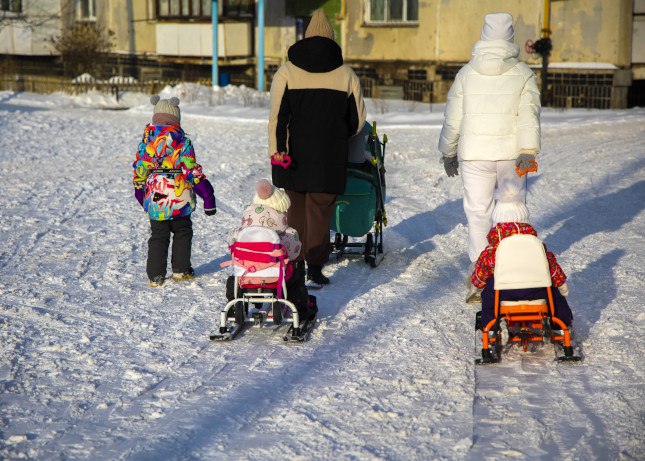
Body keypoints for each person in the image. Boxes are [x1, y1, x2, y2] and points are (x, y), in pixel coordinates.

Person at [437, 12, 541, 302]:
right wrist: (527, 151)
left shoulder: (466, 73)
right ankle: (515, 270)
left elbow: (453, 118)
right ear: (510, 38)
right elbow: (529, 115)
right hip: (512, 156)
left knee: (478, 212)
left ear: (483, 34)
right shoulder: (523, 73)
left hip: (474, 156)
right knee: (512, 208)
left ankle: (480, 275)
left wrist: (448, 151)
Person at [268, 9, 366, 286]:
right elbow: (358, 120)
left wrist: (278, 150)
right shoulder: (347, 74)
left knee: (295, 209)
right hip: (330, 155)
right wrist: (336, 136)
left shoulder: (286, 71)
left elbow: (277, 116)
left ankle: (294, 263)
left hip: (291, 155)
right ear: (331, 40)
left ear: (306, 37)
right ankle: (315, 266)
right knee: (320, 212)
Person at [133, 95, 216, 287]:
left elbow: (140, 170)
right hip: (180, 197)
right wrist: (208, 195)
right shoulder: (183, 143)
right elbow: (191, 170)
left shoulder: (146, 143)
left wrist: (140, 191)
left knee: (158, 235)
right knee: (182, 231)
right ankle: (180, 269)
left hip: (156, 196)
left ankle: (156, 275)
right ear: (176, 120)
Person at [470, 179, 573, 331]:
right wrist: (562, 285)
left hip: (504, 293)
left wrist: (475, 287)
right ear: (525, 222)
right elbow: (552, 268)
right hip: (536, 291)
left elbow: (481, 272)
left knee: (488, 293)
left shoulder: (493, 251)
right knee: (554, 292)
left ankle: (490, 327)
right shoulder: (537, 246)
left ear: (498, 224)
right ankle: (561, 323)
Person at [226, 179, 316, 321]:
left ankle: (233, 309)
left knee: (232, 280)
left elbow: (233, 249)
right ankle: (300, 309)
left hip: (246, 278)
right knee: (296, 270)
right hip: (276, 279)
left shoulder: (240, 233)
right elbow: (294, 253)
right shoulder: (287, 234)